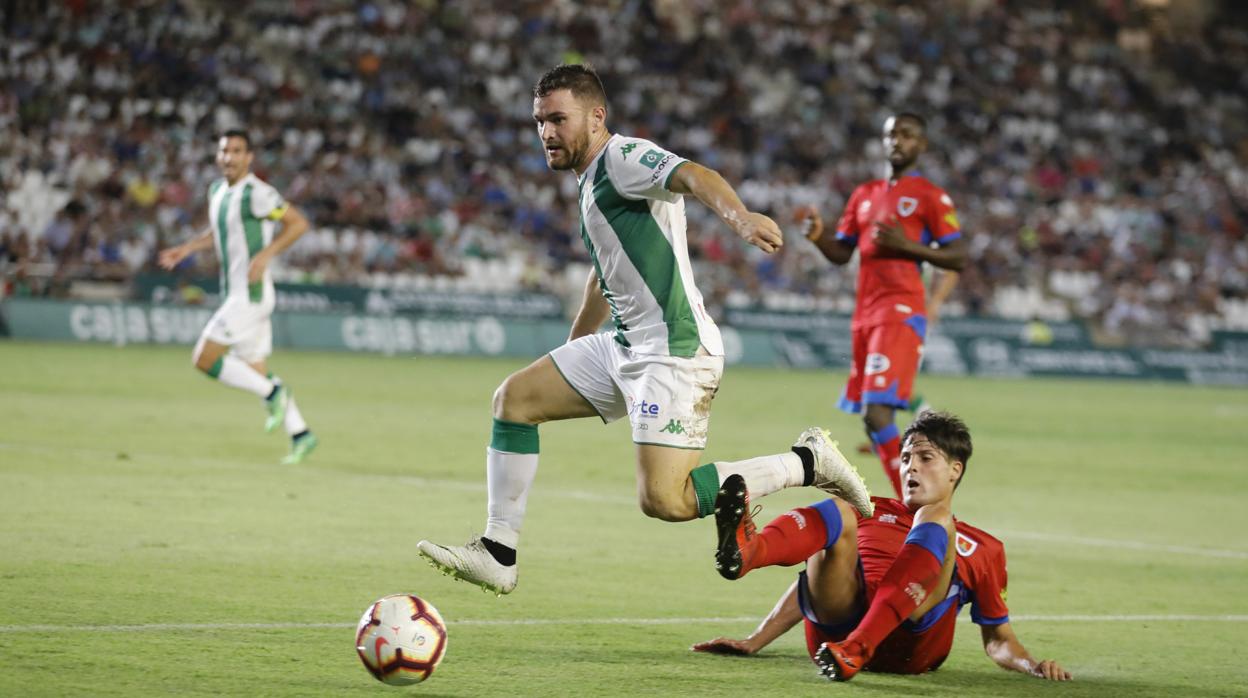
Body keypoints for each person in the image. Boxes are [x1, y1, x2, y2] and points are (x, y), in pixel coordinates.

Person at [417, 64, 873, 595]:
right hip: (624, 346)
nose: (546, 132)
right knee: (514, 399)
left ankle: (807, 461)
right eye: (539, 121)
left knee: (666, 500)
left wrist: (740, 217)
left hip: (673, 350)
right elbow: (601, 277)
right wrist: (573, 350)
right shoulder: (589, 181)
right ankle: (498, 552)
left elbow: (695, 175)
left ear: (596, 116)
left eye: (558, 119)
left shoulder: (622, 156)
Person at [692, 410, 1071, 682]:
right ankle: (748, 553)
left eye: (925, 458)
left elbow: (997, 639)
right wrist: (755, 640)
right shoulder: (870, 510)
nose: (911, 468)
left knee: (935, 519)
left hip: (911, 645)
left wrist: (1033, 665)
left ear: (955, 469)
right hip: (835, 638)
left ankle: (861, 646)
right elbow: (813, 580)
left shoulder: (984, 547)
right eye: (905, 459)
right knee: (843, 507)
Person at [798, 113, 968, 498]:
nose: (897, 141)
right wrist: (820, 237)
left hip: (901, 310)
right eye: (892, 135)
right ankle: (914, 500)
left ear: (921, 145)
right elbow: (842, 253)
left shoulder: (930, 196)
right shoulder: (865, 194)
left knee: (878, 414)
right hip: (866, 316)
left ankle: (912, 505)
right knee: (873, 421)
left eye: (907, 135)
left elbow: (957, 256)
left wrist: (910, 248)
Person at [158, 129, 318, 465]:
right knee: (254, 370)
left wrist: (266, 255)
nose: (229, 157)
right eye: (224, 151)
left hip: (251, 295)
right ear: (218, 156)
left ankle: (274, 394)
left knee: (205, 357)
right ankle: (301, 433)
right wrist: (187, 248)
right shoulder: (217, 190)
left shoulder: (258, 193)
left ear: (249, 158)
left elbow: (298, 223)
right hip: (236, 293)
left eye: (237, 151)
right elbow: (220, 233)